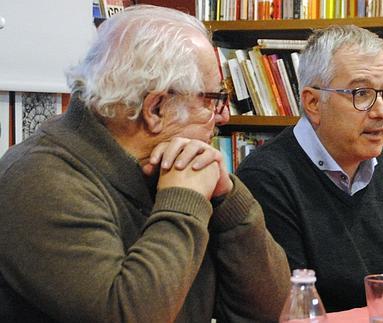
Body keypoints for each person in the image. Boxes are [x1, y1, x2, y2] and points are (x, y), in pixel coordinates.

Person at [0, 5, 290, 322]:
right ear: (156, 108)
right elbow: (127, 314)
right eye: (212, 100)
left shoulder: (175, 167)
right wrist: (185, 201)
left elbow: (273, 309)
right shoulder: (39, 181)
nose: (223, 116)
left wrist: (229, 202)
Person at [236, 25, 383, 313]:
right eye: (362, 93)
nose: (381, 111)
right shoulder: (266, 179)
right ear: (314, 103)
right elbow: (298, 309)